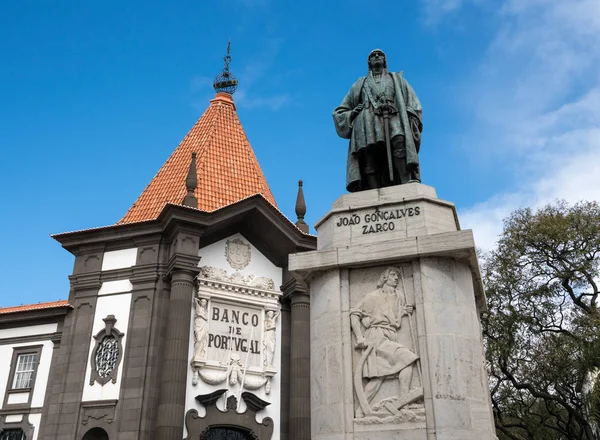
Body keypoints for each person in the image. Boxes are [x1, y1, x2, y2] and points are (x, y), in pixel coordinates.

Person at [333, 49, 423, 192]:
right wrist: (352, 114)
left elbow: (414, 103)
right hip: (367, 120)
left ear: (384, 60)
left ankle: (405, 180)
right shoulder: (360, 84)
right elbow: (340, 111)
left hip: (393, 115)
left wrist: (411, 116)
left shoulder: (397, 79)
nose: (376, 57)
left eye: (380, 55)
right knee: (369, 152)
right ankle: (372, 189)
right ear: (369, 62)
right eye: (372, 56)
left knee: (399, 139)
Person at [350, 267, 418, 408]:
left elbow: (396, 322)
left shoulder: (399, 296)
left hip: (391, 334)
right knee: (408, 358)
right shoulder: (373, 296)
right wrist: (359, 337)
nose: (396, 278)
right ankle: (404, 402)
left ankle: (362, 410)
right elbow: (354, 315)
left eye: (398, 275)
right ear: (385, 277)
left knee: (379, 376)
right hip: (376, 337)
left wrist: (405, 311)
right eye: (393, 275)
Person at [193, 297, 209, 363]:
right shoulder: (198, 307)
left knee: (202, 339)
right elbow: (195, 299)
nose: (204, 303)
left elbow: (206, 318)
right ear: (200, 302)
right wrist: (198, 301)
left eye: (205, 302)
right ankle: (197, 354)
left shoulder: (205, 310)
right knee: (198, 339)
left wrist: (201, 315)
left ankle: (199, 354)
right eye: (202, 302)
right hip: (198, 323)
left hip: (203, 324)